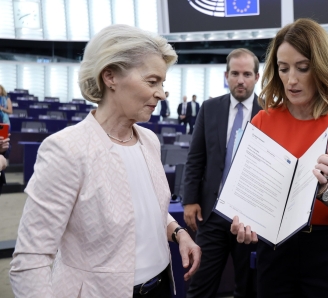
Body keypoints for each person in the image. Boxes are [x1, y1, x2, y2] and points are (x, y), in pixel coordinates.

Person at [9, 24, 201, 298]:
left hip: (161, 286)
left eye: (162, 83)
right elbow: (30, 260)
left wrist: (178, 232)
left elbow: (144, 208)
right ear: (110, 77)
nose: (161, 93)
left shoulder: (149, 141)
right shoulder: (67, 149)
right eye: (152, 81)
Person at [230, 18, 328, 297]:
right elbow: (248, 193)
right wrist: (243, 219)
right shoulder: (263, 120)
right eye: (283, 68)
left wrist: (324, 190)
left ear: (322, 68)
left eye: (302, 68)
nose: (291, 80)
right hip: (274, 251)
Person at [183, 48, 261, 298]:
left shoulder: (271, 112)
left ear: (257, 77)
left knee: (248, 287)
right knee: (200, 284)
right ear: (226, 75)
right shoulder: (209, 108)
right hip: (212, 213)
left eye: (247, 74)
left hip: (251, 218)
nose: (241, 80)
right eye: (235, 73)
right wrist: (190, 200)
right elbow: (196, 158)